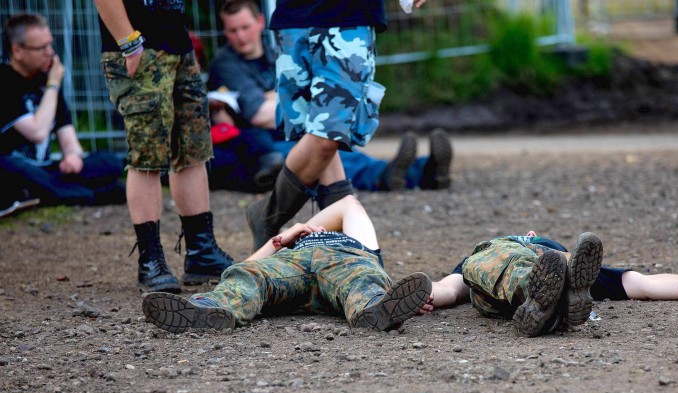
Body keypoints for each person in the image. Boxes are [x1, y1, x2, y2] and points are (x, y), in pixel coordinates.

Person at [207, 0, 450, 200]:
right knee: (328, 149)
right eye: (232, 30)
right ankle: (397, 175)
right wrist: (312, 102)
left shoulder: (274, 52)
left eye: (245, 27)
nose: (240, 36)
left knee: (337, 147)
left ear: (260, 22)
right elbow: (258, 115)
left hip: (291, 128)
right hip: (265, 143)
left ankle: (422, 170)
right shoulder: (227, 63)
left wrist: (283, 100)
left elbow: (272, 104)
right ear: (224, 31)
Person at [243, 0, 430, 252]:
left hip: (348, 18)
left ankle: (268, 214)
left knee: (326, 137)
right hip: (292, 19)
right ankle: (350, 254)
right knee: (312, 136)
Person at [93, 0, 233, 293]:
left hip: (178, 46)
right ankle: (151, 259)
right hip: (137, 47)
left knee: (192, 149)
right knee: (147, 155)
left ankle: (201, 252)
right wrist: (129, 43)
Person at [141, 195, 432, 334]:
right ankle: (210, 310)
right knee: (247, 276)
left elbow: (349, 203)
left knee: (365, 280)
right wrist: (284, 237)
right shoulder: (290, 243)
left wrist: (304, 227)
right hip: (290, 265)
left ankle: (376, 310)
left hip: (344, 263)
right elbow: (243, 268)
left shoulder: (362, 247)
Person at [427, 231, 678, 336]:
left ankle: (550, 308)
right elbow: (643, 284)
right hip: (494, 287)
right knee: (486, 260)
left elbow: (647, 284)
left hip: (535, 284)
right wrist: (425, 295)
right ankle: (551, 302)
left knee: (485, 259)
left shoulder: (567, 259)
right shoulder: (493, 251)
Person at [0, 13, 126, 217]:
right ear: (17, 50)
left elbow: (70, 142)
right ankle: (90, 196)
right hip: (14, 169)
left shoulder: (47, 83)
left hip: (46, 171)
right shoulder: (5, 81)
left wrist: (73, 157)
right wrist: (53, 84)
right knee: (9, 167)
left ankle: (43, 194)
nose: (50, 53)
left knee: (110, 162)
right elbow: (38, 132)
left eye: (51, 45)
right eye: (41, 48)